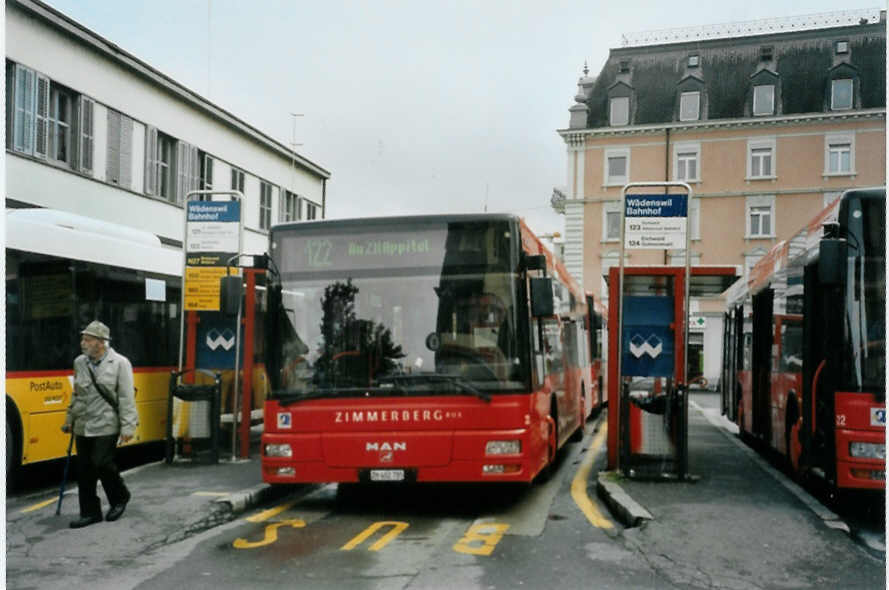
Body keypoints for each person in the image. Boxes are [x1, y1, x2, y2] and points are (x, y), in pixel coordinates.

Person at [61, 320, 138, 528]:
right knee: (84, 470)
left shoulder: (120, 363)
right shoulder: (80, 362)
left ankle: (120, 496)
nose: (82, 343)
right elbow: (77, 395)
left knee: (101, 462)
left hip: (107, 423)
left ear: (101, 343)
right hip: (84, 423)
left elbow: (126, 397)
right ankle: (89, 513)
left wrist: (128, 426)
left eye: (88, 340)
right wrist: (70, 419)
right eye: (83, 339)